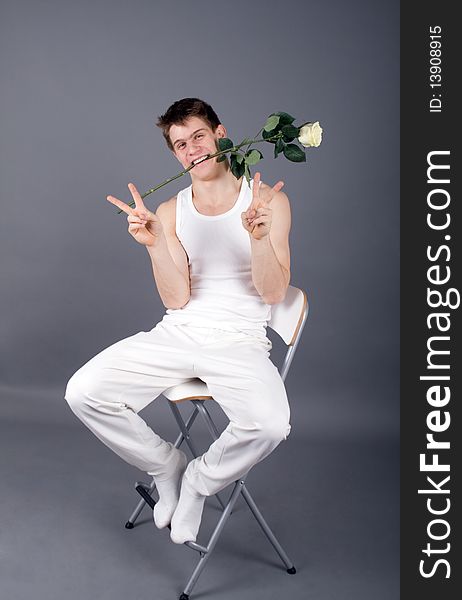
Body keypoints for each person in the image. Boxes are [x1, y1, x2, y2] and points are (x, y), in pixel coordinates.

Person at [64, 97, 292, 545]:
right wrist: (152, 245)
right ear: (175, 153)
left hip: (240, 339)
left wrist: (260, 239)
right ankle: (166, 465)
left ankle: (199, 481)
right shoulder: (170, 212)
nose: (193, 150)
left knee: (270, 424)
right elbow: (177, 297)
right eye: (181, 144)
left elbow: (273, 294)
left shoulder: (267, 201)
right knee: (84, 392)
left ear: (220, 135)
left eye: (199, 137)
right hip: (179, 331)